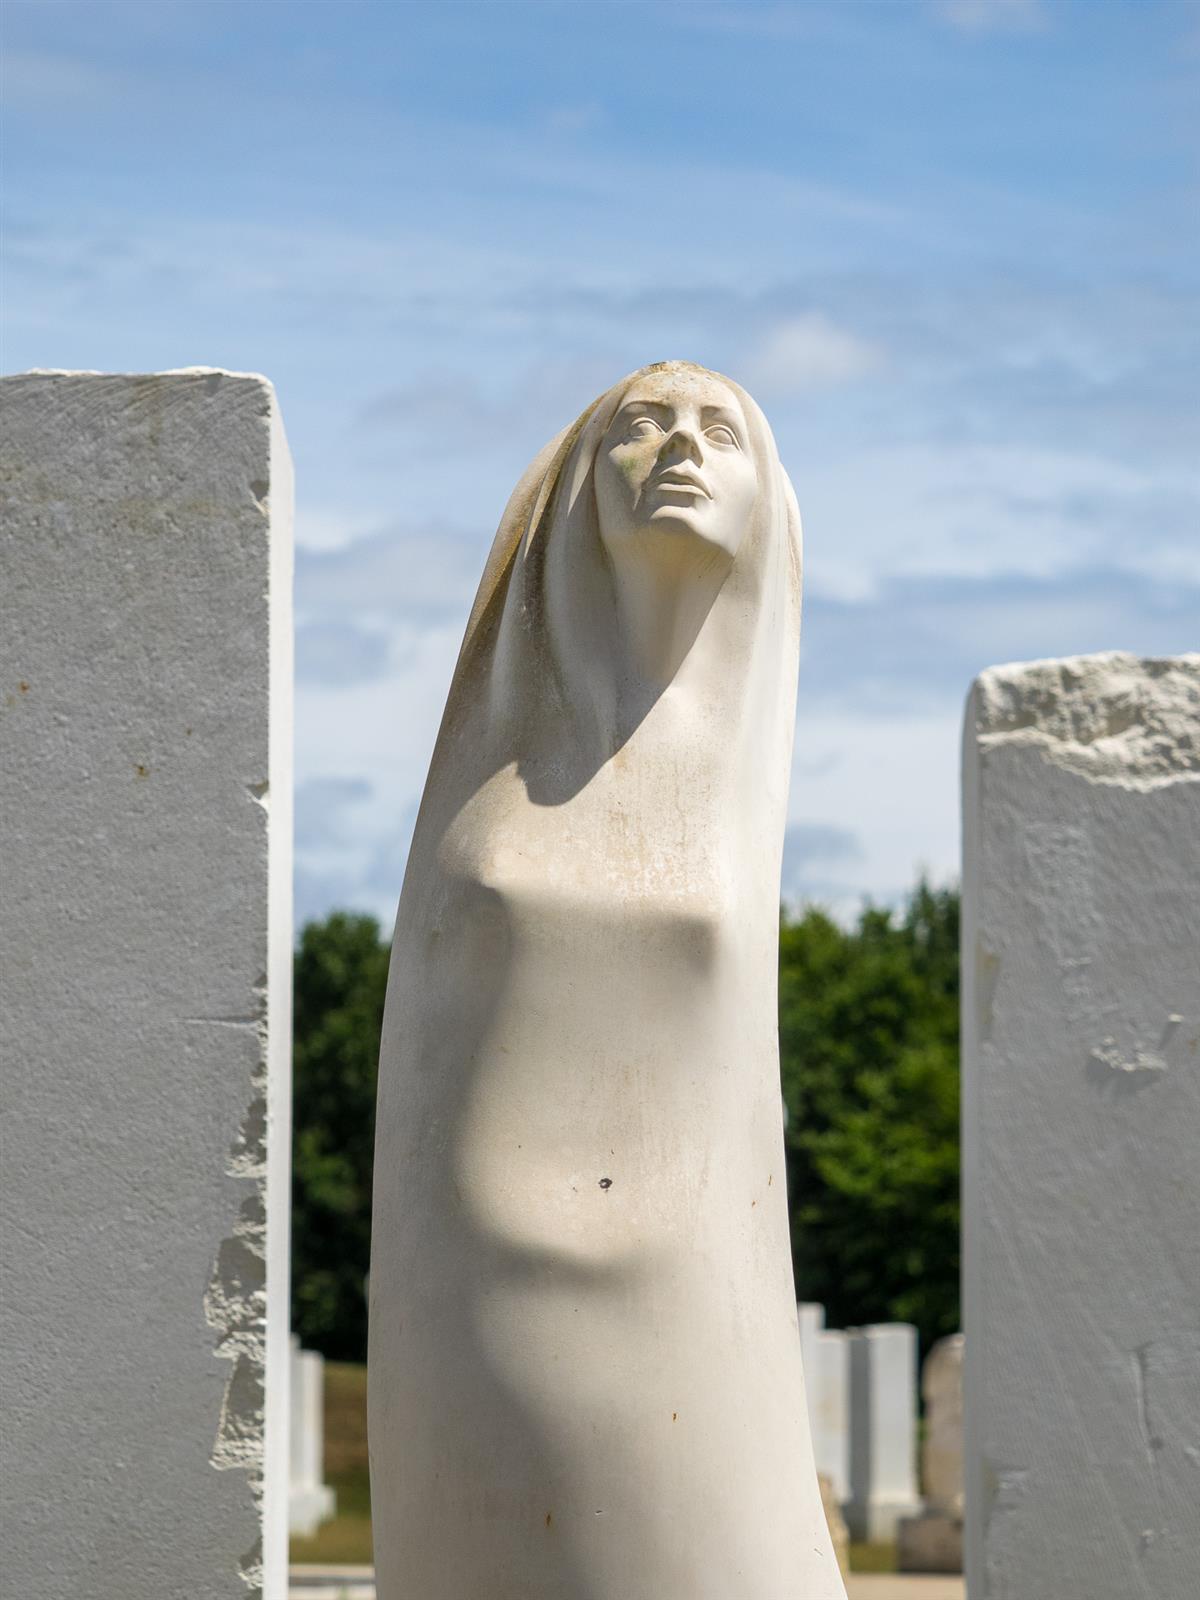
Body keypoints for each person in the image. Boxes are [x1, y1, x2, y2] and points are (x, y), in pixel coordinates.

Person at [369, 361, 845, 1599]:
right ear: (583, 484)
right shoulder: (490, 774)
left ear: (767, 494)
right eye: (643, 424)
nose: (679, 447)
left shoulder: (741, 778)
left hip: (689, 1301)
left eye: (718, 430)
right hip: (473, 1299)